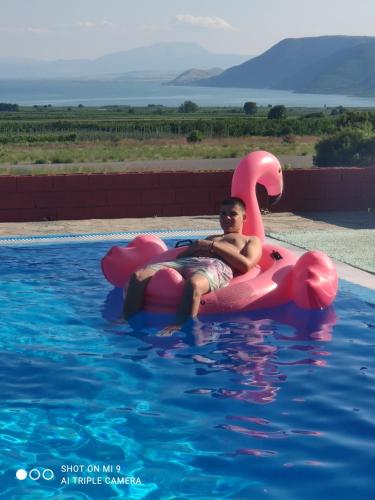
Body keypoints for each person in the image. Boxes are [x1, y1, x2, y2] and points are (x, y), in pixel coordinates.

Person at [123, 197, 262, 328]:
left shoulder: (250, 240)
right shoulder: (212, 237)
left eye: (233, 214)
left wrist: (211, 246)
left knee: (194, 284)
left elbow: (246, 265)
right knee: (138, 276)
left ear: (244, 218)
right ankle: (126, 319)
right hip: (189, 261)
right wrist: (193, 249)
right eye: (222, 213)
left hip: (216, 266)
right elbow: (180, 259)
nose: (226, 217)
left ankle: (178, 326)